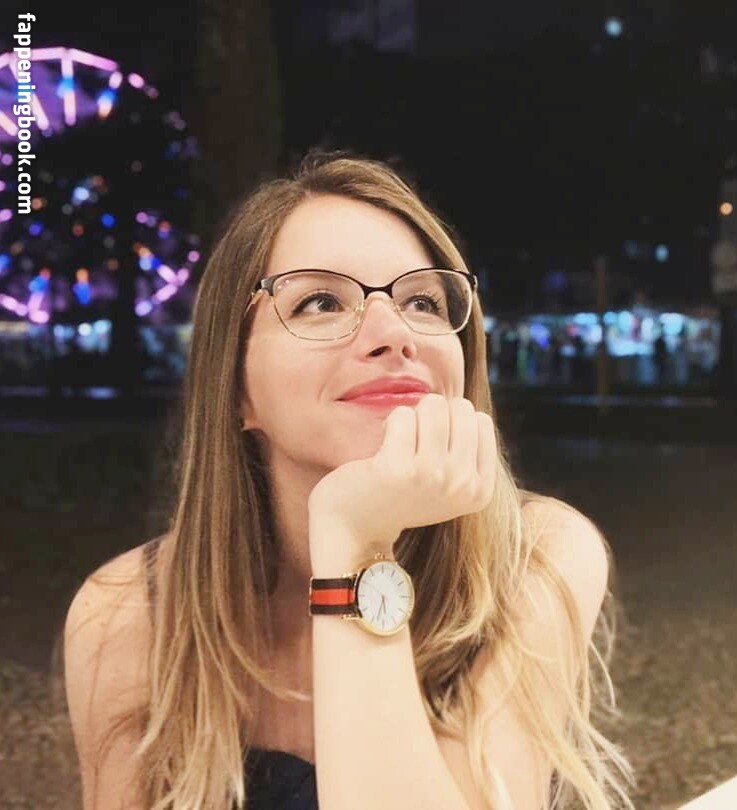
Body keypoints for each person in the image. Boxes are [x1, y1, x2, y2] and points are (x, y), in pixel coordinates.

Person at [62, 152, 635, 810]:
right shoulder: (127, 615)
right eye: (320, 302)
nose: (394, 334)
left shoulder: (536, 557)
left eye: (422, 300)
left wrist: (354, 545)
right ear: (233, 386)